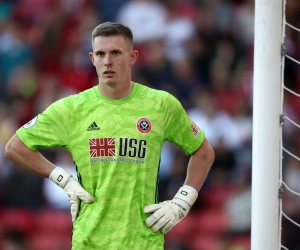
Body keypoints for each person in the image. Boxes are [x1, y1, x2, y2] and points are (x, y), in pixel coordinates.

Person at [4, 22, 215, 250]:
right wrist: (63, 180)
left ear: (133, 57)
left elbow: (203, 151)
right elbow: (15, 147)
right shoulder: (73, 108)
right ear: (92, 58)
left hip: (143, 243)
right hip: (89, 242)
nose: (107, 61)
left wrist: (183, 201)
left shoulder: (160, 105)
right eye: (101, 54)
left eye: (116, 53)